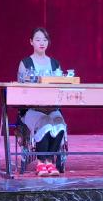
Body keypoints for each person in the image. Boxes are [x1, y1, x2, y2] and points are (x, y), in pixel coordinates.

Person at [17, 27, 67, 176]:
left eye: (45, 40)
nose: (41, 43)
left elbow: (60, 88)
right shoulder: (25, 63)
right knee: (45, 123)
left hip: (52, 108)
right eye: (38, 39)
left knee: (60, 124)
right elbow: (21, 90)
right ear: (31, 42)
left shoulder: (55, 64)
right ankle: (40, 163)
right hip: (32, 109)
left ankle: (49, 162)